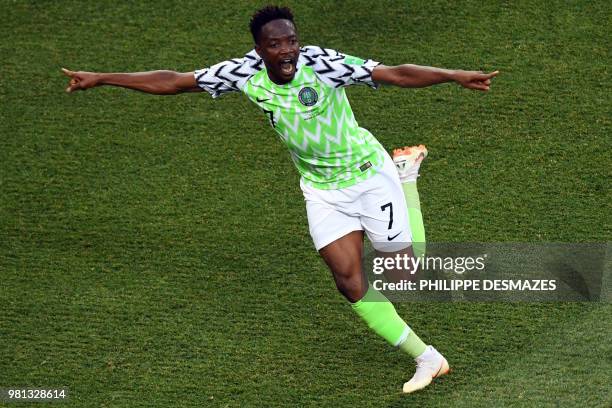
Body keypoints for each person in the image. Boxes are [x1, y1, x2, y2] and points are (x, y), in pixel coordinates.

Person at [62, 5, 498, 393]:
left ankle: (406, 178)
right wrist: (102, 79)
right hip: (321, 190)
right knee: (348, 281)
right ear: (259, 49)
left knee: (404, 276)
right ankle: (427, 358)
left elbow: (395, 73)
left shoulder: (323, 64)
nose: (288, 50)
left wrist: (454, 76)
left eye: (292, 40)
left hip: (368, 177)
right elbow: (174, 82)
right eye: (276, 44)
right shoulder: (240, 73)